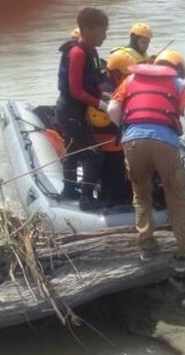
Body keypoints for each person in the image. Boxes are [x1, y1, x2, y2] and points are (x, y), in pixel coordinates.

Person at [107, 49, 185, 272]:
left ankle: (146, 247)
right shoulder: (180, 84)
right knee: (177, 196)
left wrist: (126, 130)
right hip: (166, 143)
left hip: (133, 142)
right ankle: (184, 254)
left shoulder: (130, 78)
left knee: (141, 195)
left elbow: (112, 108)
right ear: (179, 68)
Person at [56, 7, 108, 210]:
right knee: (94, 154)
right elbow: (76, 90)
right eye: (102, 31)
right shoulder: (77, 53)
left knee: (72, 151)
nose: (105, 35)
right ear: (87, 30)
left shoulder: (91, 52)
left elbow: (92, 84)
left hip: (76, 111)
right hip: (70, 112)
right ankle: (86, 198)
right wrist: (101, 104)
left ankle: (68, 190)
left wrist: (104, 96)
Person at [87, 50, 137, 206]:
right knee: (118, 191)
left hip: (117, 144)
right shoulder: (105, 90)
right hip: (110, 146)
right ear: (115, 73)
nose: (129, 78)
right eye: (126, 74)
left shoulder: (115, 86)